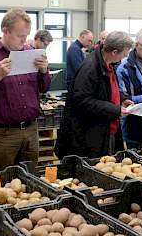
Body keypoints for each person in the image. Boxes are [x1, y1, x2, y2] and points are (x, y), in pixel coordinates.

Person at [0, 9, 50, 171]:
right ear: (5, 31)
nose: (24, 40)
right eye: (20, 36)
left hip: (30, 130)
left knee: (31, 180)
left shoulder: (29, 52)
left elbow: (43, 88)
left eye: (26, 35)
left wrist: (43, 72)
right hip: (2, 135)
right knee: (2, 185)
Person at [55, 31, 134, 159]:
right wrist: (115, 109)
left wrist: (122, 99)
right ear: (114, 52)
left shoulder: (108, 64)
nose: (123, 58)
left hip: (106, 129)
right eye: (123, 54)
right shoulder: (91, 68)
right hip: (90, 136)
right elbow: (82, 100)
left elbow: (106, 89)